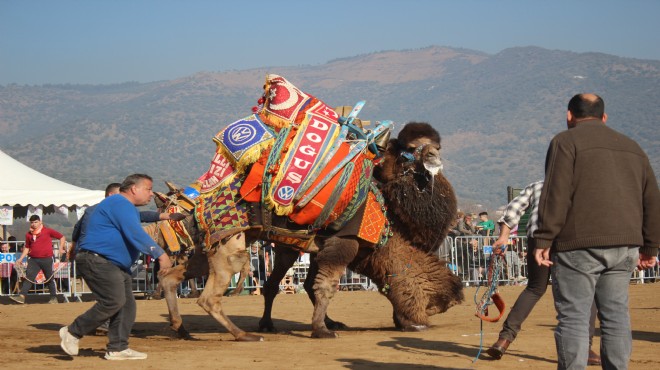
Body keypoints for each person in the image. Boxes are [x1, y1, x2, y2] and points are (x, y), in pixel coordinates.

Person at [534, 94, 660, 369]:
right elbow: (652, 198)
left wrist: (544, 237)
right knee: (616, 316)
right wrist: (651, 247)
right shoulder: (633, 147)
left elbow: (556, 193)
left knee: (574, 317)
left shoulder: (564, 142)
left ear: (569, 116)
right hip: (625, 247)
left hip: (578, 245)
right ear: (604, 117)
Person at [59, 174, 173, 361]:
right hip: (98, 261)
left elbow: (142, 217)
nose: (152, 194)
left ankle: (118, 348)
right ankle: (72, 332)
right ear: (134, 189)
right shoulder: (120, 204)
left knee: (127, 305)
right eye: (149, 189)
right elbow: (135, 232)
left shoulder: (125, 207)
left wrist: (166, 215)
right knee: (113, 301)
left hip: (113, 264)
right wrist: (160, 253)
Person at [487, 181, 600, 365]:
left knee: (534, 289)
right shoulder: (580, 183)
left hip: (537, 238)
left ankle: (504, 340)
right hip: (569, 241)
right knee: (586, 292)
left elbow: (514, 209)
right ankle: (584, 348)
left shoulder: (539, 185)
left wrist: (503, 236)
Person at [70, 182, 186, 259]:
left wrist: (166, 216)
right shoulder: (102, 210)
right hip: (98, 256)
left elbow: (77, 229)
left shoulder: (96, 209)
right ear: (111, 195)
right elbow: (137, 224)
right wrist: (158, 254)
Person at [10, 215, 66, 304]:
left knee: (49, 278)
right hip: (33, 259)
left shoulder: (47, 231)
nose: (34, 224)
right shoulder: (29, 234)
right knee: (29, 278)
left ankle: (53, 297)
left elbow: (61, 237)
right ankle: (22, 296)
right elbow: (27, 247)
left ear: (40, 222)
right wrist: (20, 258)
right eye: (32, 222)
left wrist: (60, 248)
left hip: (47, 259)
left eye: (36, 222)